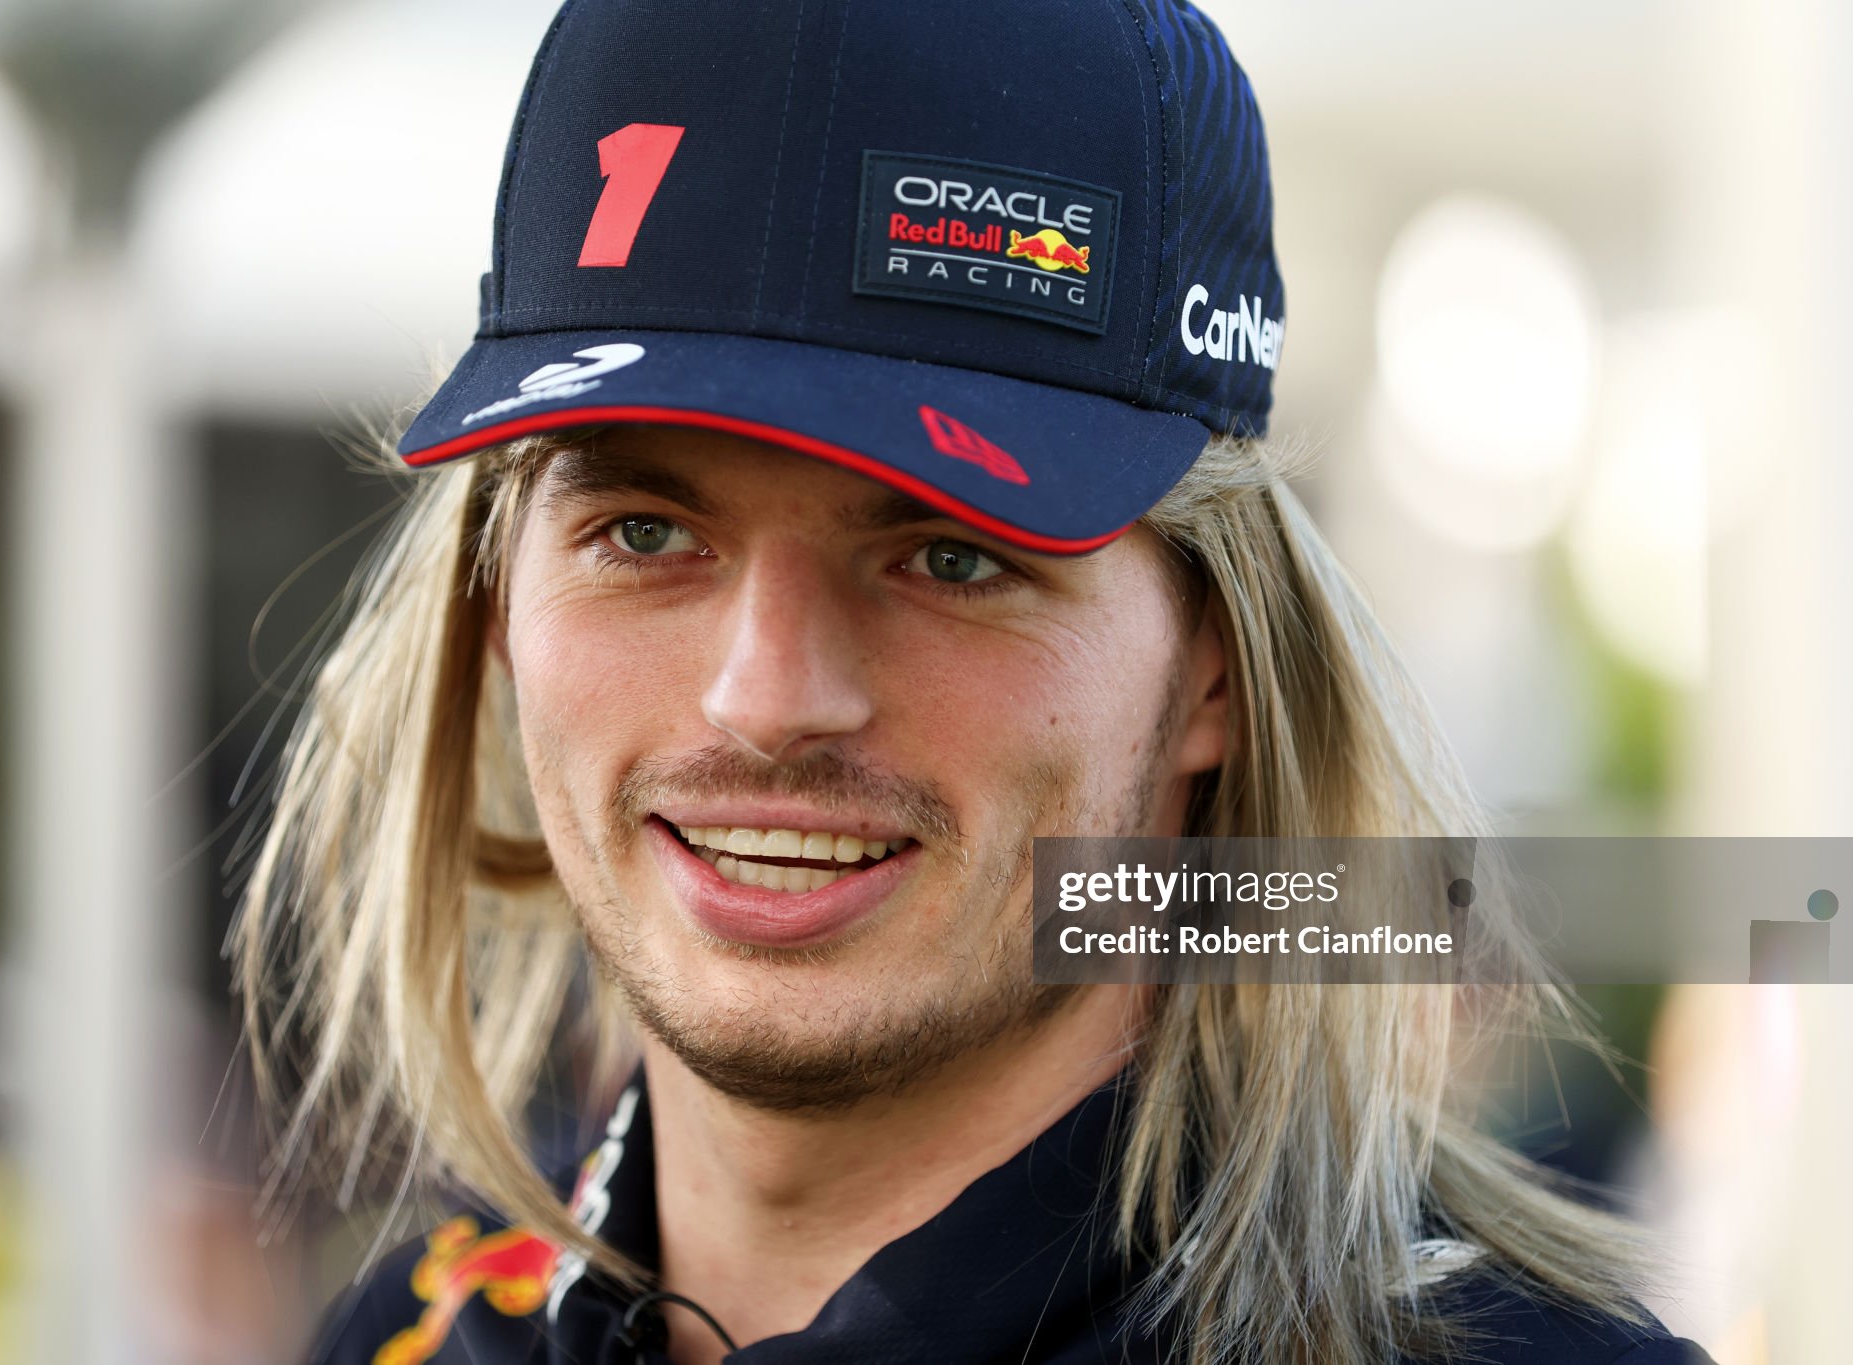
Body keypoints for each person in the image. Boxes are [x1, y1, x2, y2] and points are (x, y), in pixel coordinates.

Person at [237, 0, 1715, 1360]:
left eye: (952, 555)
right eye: (644, 531)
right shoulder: (404, 1333)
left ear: (1217, 668)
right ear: (499, 599)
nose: (765, 695)